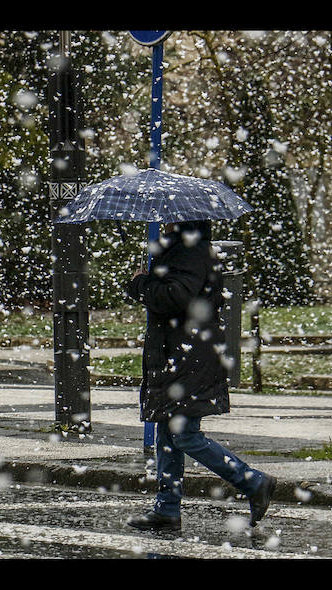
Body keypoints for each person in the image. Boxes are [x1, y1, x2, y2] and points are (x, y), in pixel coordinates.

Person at [124, 220, 276, 531]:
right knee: (168, 434)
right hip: (181, 354)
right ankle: (167, 509)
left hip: (188, 357)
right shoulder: (183, 249)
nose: (164, 221)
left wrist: (141, 284)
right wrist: (148, 281)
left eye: (169, 216)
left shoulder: (190, 252)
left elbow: (178, 297)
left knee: (184, 435)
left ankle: (253, 481)